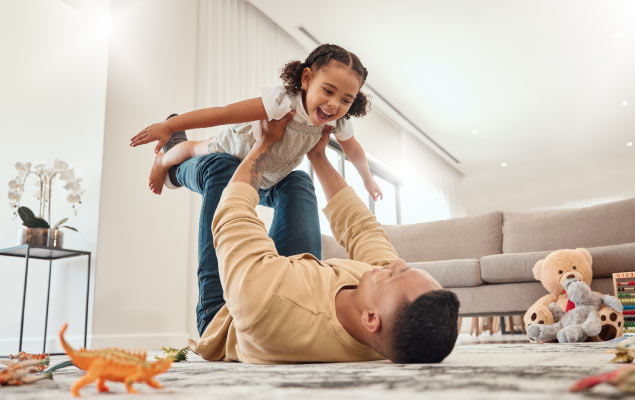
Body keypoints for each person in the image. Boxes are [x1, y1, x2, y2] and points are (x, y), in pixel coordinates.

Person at [191, 112, 460, 364]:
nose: (396, 264)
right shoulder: (386, 328)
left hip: (227, 314)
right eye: (405, 268)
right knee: (298, 182)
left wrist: (262, 146)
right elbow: (363, 230)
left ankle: (172, 167)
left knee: (222, 168)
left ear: (370, 319)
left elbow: (233, 217)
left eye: (394, 275)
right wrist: (318, 156)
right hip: (288, 278)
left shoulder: (266, 302)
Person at [129, 44, 383, 202]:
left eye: (346, 100)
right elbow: (224, 113)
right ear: (306, 79)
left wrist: (367, 179)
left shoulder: (336, 123)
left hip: (265, 172)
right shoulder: (284, 101)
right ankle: (163, 160)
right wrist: (170, 127)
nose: (334, 105)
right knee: (195, 148)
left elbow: (354, 151)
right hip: (236, 147)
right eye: (328, 91)